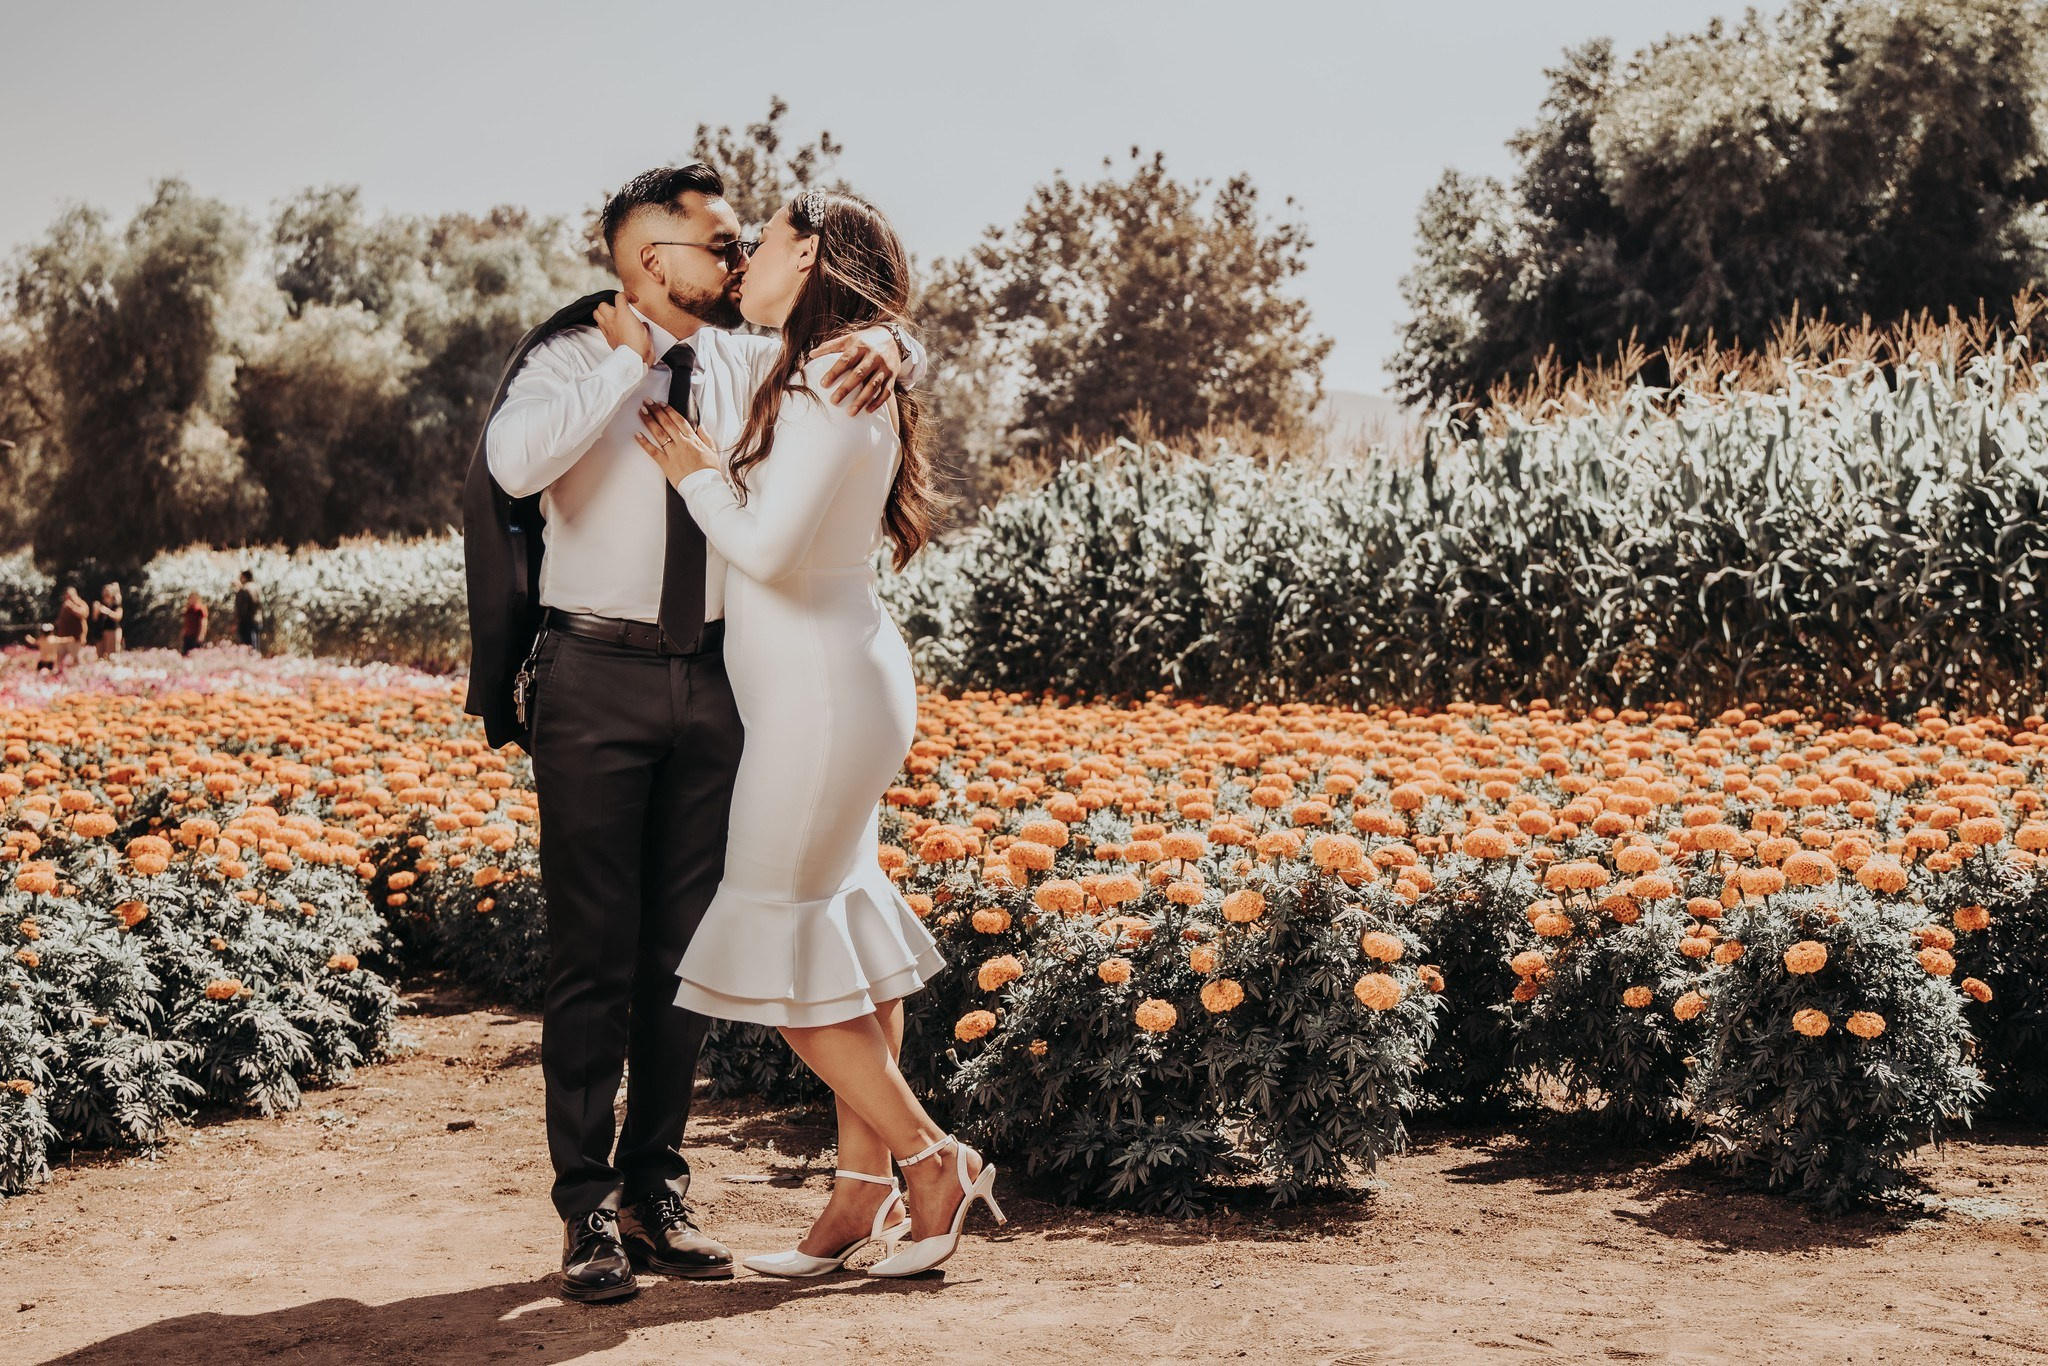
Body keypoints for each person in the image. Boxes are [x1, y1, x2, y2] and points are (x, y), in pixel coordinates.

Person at [465, 163, 926, 1304]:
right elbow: (513, 467)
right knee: (591, 955)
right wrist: (623, 361)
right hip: (593, 676)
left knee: (689, 956)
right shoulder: (568, 358)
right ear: (646, 260)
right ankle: (585, 1212)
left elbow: (843, 365)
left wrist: (902, 345)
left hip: (725, 686)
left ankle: (654, 1192)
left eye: (741, 243)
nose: (733, 259)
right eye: (714, 244)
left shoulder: (748, 357)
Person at [635, 188, 1002, 1281]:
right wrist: (896, 332)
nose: (743, 256)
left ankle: (931, 1162)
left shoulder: (829, 384)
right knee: (843, 938)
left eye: (766, 242)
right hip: (835, 685)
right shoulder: (828, 365)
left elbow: (768, 546)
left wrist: (697, 475)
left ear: (813, 258)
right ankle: (856, 1196)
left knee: (789, 966)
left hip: (820, 701)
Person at [88, 583, 123, 656]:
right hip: (101, 632)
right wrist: (95, 610)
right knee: (100, 655)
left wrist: (107, 611)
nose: (105, 595)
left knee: (112, 655)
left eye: (108, 593)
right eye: (104, 593)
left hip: (112, 631)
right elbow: (95, 618)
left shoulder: (116, 605)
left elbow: (118, 617)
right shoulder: (101, 605)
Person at [232, 571, 261, 650]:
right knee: (255, 646)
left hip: (246, 621)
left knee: (247, 646)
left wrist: (237, 621)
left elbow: (243, 607)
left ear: (244, 577)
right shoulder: (257, 588)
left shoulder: (244, 589)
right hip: (257, 620)